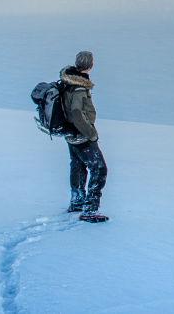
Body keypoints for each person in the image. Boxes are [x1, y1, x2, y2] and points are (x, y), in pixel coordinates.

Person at [61, 50, 108, 223]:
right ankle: (90, 209)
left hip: (69, 133)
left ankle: (77, 201)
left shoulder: (67, 80)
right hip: (81, 135)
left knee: (78, 165)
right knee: (100, 168)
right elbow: (76, 111)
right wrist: (91, 134)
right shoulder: (79, 86)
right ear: (91, 65)